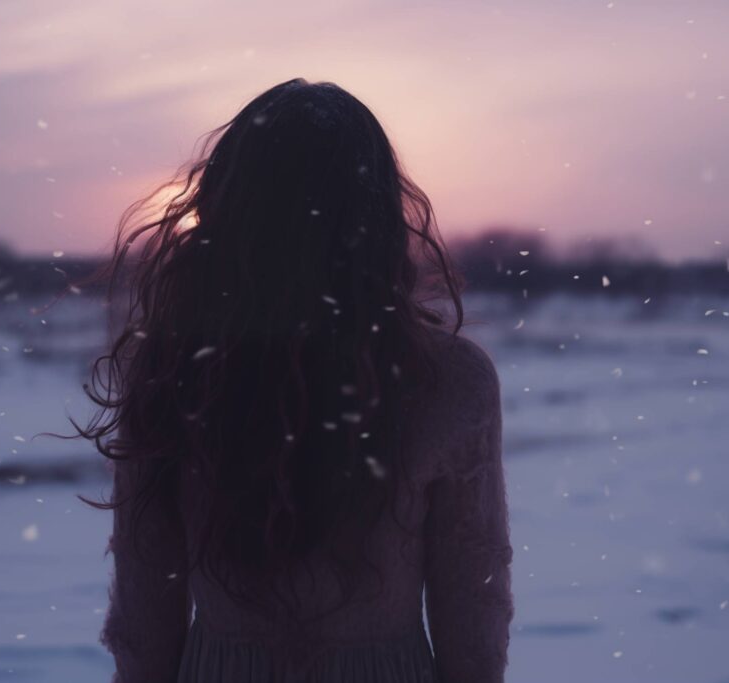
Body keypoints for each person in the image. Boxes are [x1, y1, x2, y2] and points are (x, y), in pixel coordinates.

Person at [74, 78, 514, 683]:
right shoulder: (446, 381)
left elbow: (144, 626)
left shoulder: (175, 370)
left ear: (226, 212)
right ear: (377, 214)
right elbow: (474, 616)